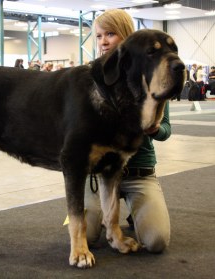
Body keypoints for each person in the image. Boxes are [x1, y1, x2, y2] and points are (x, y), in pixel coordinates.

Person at [85, 9, 170, 253]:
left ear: (127, 36)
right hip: (99, 176)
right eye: (99, 36)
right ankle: (102, 214)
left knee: (156, 242)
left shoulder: (153, 77)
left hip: (139, 174)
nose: (104, 42)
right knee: (88, 236)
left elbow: (166, 131)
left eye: (110, 34)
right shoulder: (91, 76)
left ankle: (136, 211)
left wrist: (154, 128)